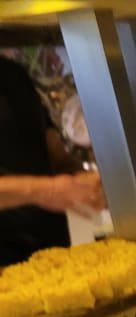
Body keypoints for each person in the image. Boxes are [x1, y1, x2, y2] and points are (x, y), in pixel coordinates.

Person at [0, 55, 105, 267]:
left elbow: (54, 154)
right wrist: (48, 191)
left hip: (53, 255)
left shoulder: (12, 73)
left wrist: (84, 179)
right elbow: (49, 188)